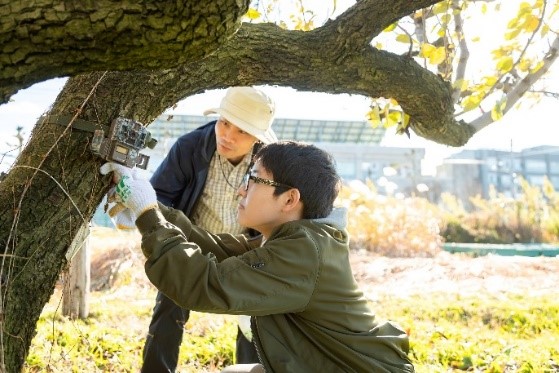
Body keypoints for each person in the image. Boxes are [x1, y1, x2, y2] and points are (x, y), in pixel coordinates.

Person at [101, 140, 415, 372]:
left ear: (290, 199)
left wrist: (148, 214)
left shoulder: (303, 254)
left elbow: (204, 283)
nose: (241, 190)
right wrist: (151, 211)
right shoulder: (296, 241)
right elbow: (217, 250)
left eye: (253, 179)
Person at [139, 86, 275, 372]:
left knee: (256, 319)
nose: (227, 136)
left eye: (241, 131)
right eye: (224, 123)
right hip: (193, 244)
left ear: (257, 138)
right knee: (168, 307)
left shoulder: (272, 163)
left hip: (246, 250)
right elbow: (159, 195)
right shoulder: (189, 147)